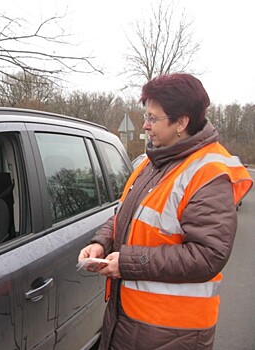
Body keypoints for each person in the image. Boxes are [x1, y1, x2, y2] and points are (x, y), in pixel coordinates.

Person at [78, 73, 253, 349]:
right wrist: (101, 242)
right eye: (145, 116)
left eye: (153, 118)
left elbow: (207, 256)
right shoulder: (152, 163)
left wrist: (126, 262)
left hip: (171, 332)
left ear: (181, 122)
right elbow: (126, 216)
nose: (145, 126)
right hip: (129, 321)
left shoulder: (208, 173)